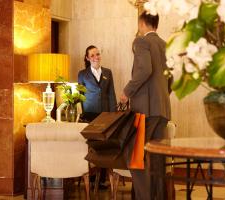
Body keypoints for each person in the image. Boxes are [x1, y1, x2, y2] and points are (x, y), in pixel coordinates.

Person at [120, 12, 172, 200]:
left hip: (145, 110)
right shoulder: (166, 45)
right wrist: (162, 96)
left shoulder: (141, 42)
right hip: (163, 110)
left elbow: (144, 69)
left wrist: (127, 92)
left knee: (134, 154)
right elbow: (170, 77)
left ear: (142, 23)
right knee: (158, 160)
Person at [78, 45, 117, 188]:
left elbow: (111, 94)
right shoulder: (82, 74)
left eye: (97, 54)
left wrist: (113, 115)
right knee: (92, 146)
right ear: (87, 58)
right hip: (90, 115)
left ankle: (102, 178)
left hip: (105, 115)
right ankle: (92, 176)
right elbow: (80, 96)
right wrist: (81, 114)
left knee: (104, 146)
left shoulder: (108, 72)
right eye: (92, 55)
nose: (96, 57)